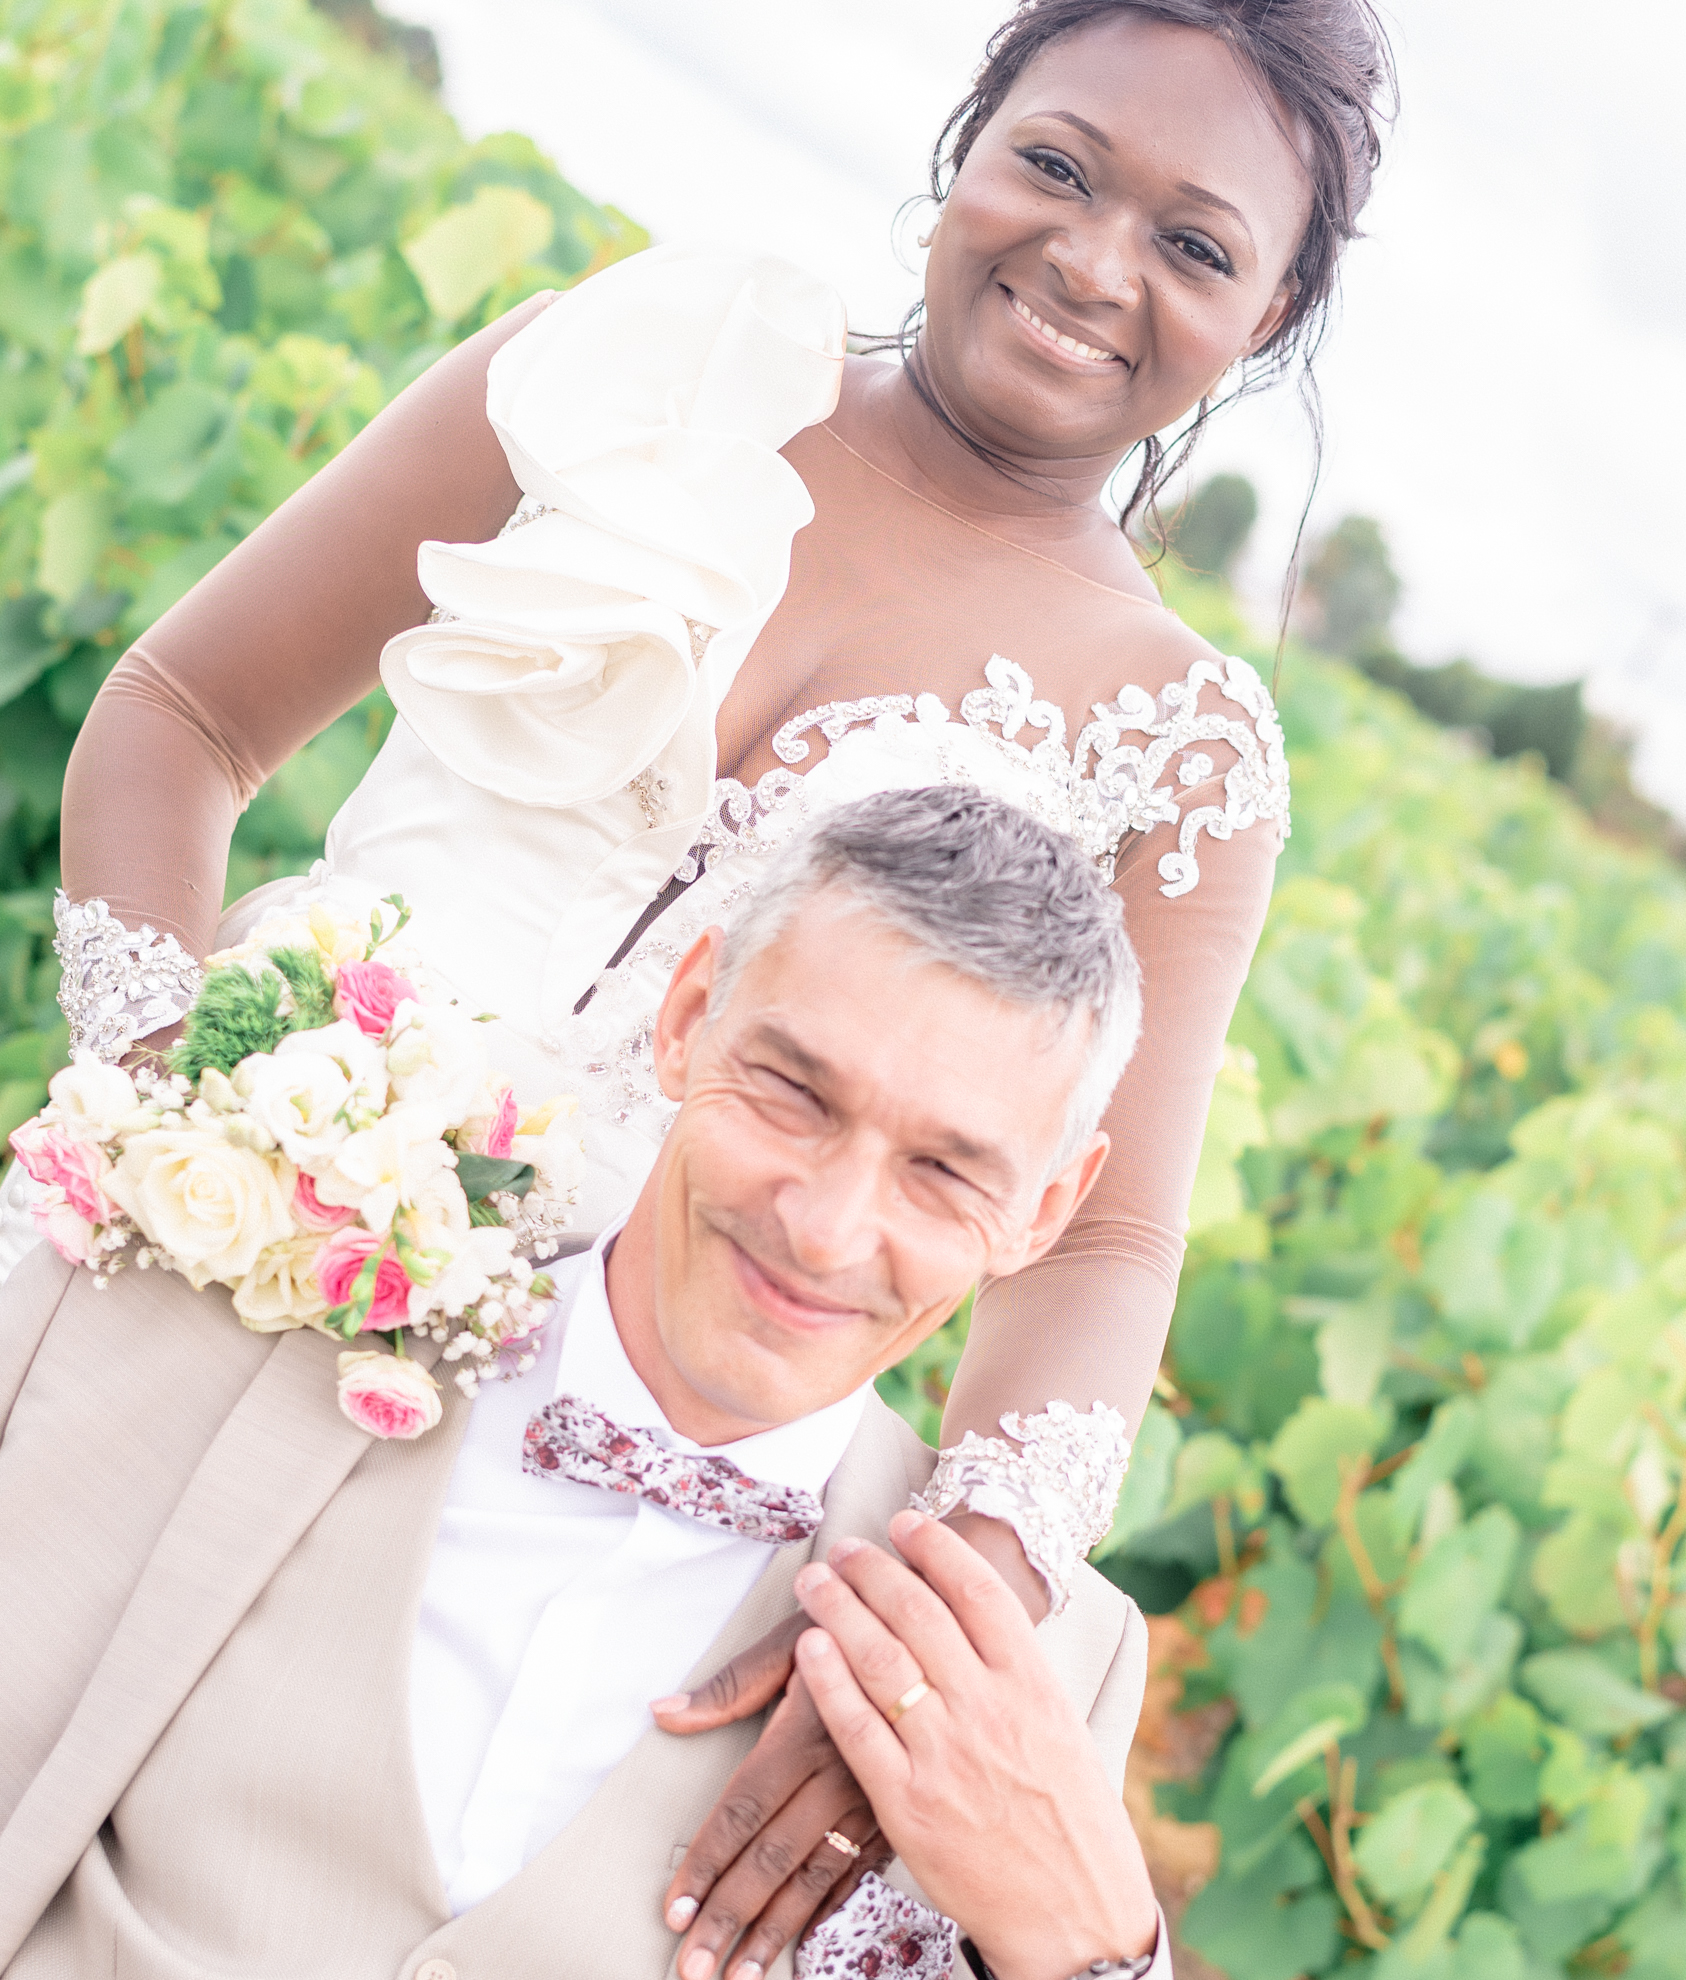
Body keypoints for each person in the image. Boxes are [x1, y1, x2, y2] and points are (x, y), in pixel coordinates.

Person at [22, 0, 1391, 1944]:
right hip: (193, 1277)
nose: (1096, 265)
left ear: (1265, 316)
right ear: (969, 138)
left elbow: (1096, 1239)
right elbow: (180, 716)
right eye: (1059, 165)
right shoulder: (643, 376)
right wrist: (174, 1128)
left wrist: (965, 1604)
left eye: (1194, 243)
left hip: (614, 1500)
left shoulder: (1182, 743)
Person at [0, 790, 1171, 1980]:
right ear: (687, 1016)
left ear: (1044, 1212)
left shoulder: (1049, 1675)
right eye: (795, 1093)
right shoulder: (251, 1285)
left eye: (943, 1171)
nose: (825, 1231)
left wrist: (1094, 1945)